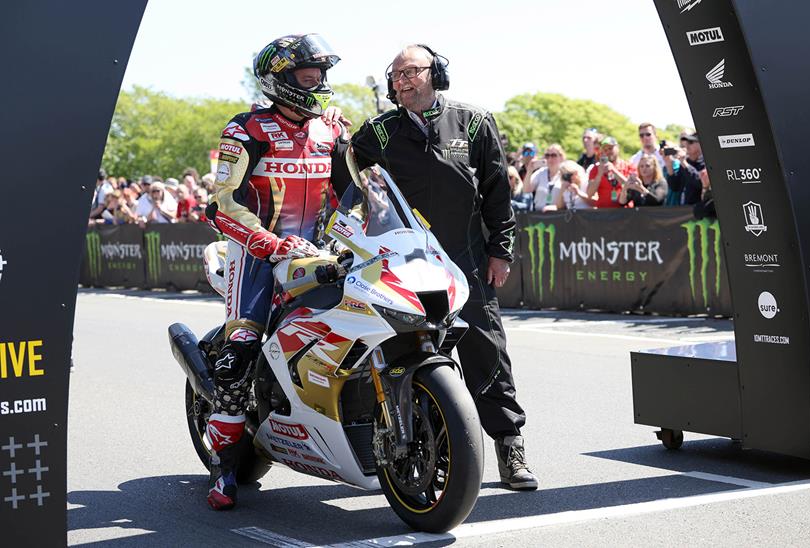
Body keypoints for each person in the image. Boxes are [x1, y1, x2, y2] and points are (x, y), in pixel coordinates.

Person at [350, 44, 538, 491]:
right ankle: (428, 455)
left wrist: (501, 252)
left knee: (487, 354)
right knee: (411, 359)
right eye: (395, 75)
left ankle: (510, 446)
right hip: (402, 264)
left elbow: (497, 193)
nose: (401, 81)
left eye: (411, 72)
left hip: (468, 262)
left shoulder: (474, 121)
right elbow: (348, 176)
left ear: (435, 73)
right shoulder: (377, 131)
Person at [203, 33, 350, 511]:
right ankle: (224, 469)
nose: (318, 82)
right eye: (308, 75)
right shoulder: (246, 129)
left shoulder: (331, 132)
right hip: (258, 258)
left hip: (319, 255)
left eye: (321, 75)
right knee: (239, 354)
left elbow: (362, 193)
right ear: (279, 80)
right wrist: (269, 243)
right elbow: (221, 206)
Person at [584, 136, 636, 208]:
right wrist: (599, 175)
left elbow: (632, 187)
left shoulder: (628, 166)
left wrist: (614, 171)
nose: (608, 152)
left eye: (610, 148)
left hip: (625, 211)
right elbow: (589, 194)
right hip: (604, 212)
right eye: (605, 150)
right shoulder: (596, 168)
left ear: (618, 148)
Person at [523, 144, 564, 212]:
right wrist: (529, 171)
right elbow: (526, 190)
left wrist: (556, 207)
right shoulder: (540, 172)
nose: (550, 158)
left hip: (558, 215)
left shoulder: (564, 173)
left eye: (553, 155)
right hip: (539, 215)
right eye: (547, 155)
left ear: (561, 157)